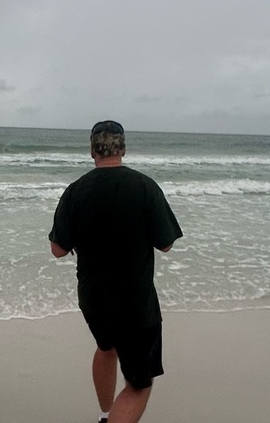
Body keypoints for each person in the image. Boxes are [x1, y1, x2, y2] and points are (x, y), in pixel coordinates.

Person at [49, 120, 183, 423]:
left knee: (105, 346)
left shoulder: (76, 190)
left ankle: (105, 414)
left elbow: (57, 249)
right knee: (139, 385)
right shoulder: (145, 186)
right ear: (123, 149)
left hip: (93, 299)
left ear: (92, 151)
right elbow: (165, 244)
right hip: (135, 303)